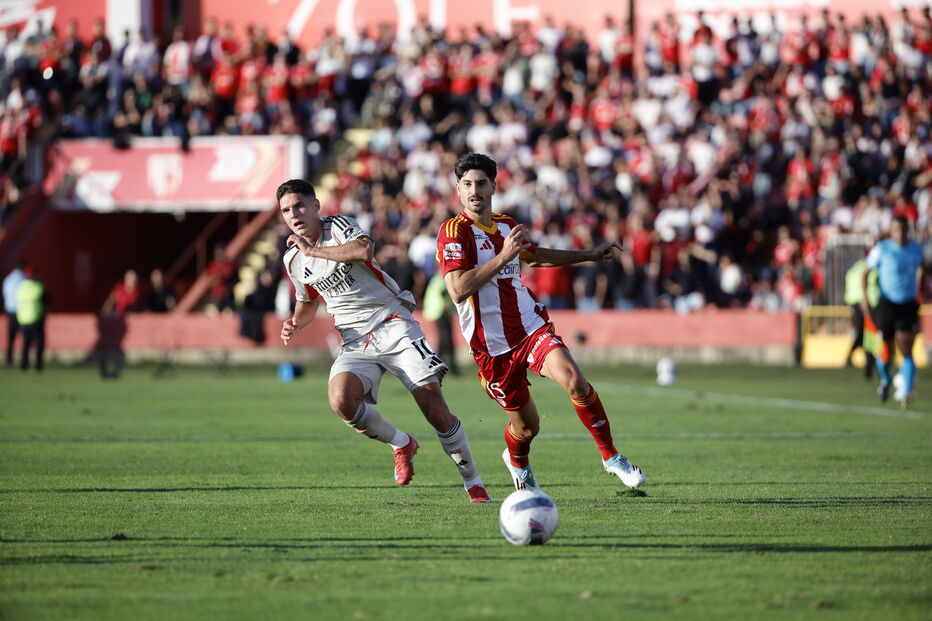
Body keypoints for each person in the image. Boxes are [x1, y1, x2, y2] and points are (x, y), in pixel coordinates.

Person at [436, 152, 645, 491]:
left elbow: (537, 256)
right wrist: (504, 256)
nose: (474, 190)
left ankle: (610, 456)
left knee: (575, 380)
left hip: (530, 327)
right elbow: (458, 289)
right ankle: (517, 460)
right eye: (467, 184)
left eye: (481, 184)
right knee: (527, 427)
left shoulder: (506, 225)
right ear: (458, 190)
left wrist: (589, 255)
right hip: (492, 347)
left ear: (493, 187)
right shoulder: (453, 232)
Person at [276, 179, 490, 503]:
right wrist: (295, 321)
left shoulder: (339, 227)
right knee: (341, 400)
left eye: (299, 205)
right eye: (286, 210)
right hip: (355, 340)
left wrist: (313, 249)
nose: (294, 214)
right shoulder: (293, 260)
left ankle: (473, 482)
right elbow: (308, 302)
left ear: (316, 205)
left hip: (393, 322)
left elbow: (364, 250)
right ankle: (401, 443)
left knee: (434, 408)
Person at [862, 215, 926, 409]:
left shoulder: (917, 249)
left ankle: (906, 392)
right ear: (892, 230)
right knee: (886, 347)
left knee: (907, 345)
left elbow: (922, 268)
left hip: (908, 303)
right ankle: (885, 379)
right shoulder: (882, 249)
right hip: (887, 303)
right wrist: (864, 298)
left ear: (908, 229)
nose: (900, 232)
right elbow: (865, 272)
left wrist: (920, 284)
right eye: (896, 229)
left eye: (903, 229)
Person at [843, 253, 879, 377]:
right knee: (869, 333)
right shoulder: (870, 268)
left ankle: (867, 361)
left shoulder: (853, 269)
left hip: (854, 303)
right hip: (868, 303)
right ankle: (870, 362)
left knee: (863, 333)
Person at [421, 273, 459, 375]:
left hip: (435, 311)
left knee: (444, 340)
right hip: (440, 312)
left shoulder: (436, 279)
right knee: (446, 340)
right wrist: (447, 309)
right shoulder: (443, 278)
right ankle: (448, 366)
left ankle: (439, 366)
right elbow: (443, 293)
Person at [16, 266, 47, 371]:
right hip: (36, 319)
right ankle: (38, 365)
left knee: (26, 342)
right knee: (39, 343)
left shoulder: (21, 287)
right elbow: (46, 300)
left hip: (23, 319)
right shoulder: (38, 287)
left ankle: (24, 364)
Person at [3, 261, 25, 365]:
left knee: (11, 335)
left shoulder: (8, 279)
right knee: (25, 335)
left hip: (9, 310)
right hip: (21, 310)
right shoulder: (22, 279)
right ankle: (24, 359)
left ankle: (9, 358)